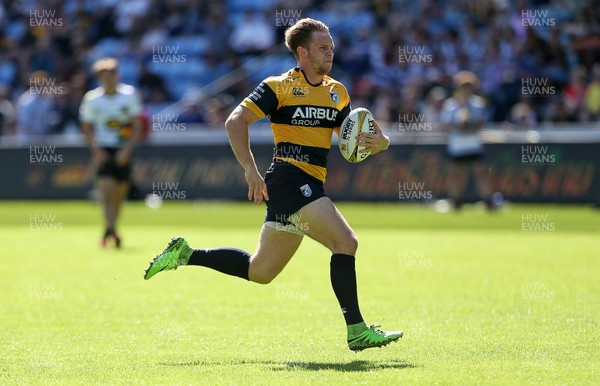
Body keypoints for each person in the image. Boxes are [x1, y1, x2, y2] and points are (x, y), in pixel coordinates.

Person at [143, 18, 402, 351]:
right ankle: (356, 330)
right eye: (323, 48)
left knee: (261, 271)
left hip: (306, 183)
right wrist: (250, 170)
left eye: (332, 48)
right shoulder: (277, 86)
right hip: (289, 179)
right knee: (346, 242)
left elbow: (351, 140)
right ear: (302, 52)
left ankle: (185, 254)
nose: (330, 54)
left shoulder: (338, 92)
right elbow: (235, 121)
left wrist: (380, 143)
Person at [80, 58, 142, 248]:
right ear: (99, 78)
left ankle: (110, 228)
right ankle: (112, 230)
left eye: (111, 76)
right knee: (106, 193)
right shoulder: (92, 98)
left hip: (123, 149)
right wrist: (97, 151)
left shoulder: (129, 95)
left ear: (117, 76)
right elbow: (87, 128)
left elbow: (137, 125)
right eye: (104, 77)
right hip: (104, 149)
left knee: (119, 196)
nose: (108, 80)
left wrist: (127, 149)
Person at [442, 71, 494, 210]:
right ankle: (455, 203)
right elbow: (447, 124)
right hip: (457, 144)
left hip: (472, 143)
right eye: (463, 86)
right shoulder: (451, 104)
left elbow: (482, 122)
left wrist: (469, 124)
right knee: (456, 176)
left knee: (479, 175)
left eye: (468, 86)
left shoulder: (478, 103)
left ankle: (488, 202)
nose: (466, 89)